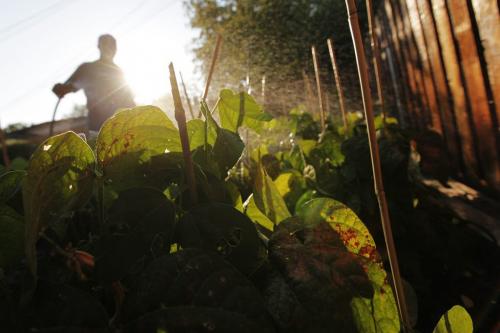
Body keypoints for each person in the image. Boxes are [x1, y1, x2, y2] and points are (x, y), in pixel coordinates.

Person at [52, 34, 135, 131]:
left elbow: (129, 102)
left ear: (116, 49)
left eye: (112, 45)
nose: (109, 48)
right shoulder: (88, 69)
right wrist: (60, 88)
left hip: (120, 126)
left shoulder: (119, 73)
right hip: (96, 123)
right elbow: (65, 87)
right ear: (99, 46)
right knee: (96, 142)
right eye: (105, 44)